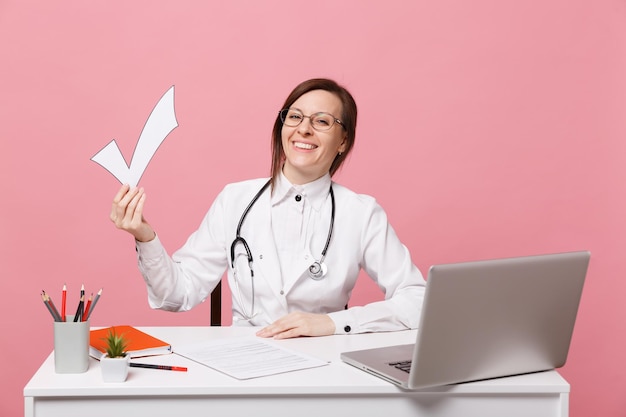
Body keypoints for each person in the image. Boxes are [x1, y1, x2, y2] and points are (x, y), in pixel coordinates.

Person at [110, 78, 426, 339]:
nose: (304, 129)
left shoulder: (361, 213)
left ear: (343, 140)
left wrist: (331, 324)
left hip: (326, 366)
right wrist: (145, 236)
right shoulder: (235, 199)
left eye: (322, 121)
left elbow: (418, 300)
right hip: (246, 361)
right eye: (295, 117)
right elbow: (176, 295)